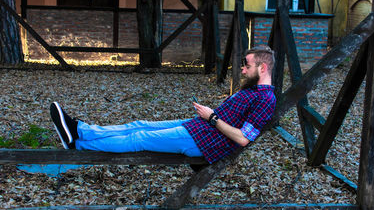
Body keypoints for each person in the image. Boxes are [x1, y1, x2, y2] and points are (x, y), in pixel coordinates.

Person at [50, 46, 276, 164]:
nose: (243, 70)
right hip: (198, 127)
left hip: (203, 141)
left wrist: (212, 117)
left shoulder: (266, 99)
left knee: (138, 140)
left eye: (247, 66)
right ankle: (79, 131)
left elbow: (243, 138)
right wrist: (212, 114)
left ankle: (78, 146)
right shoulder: (254, 90)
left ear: (262, 68)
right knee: (139, 124)